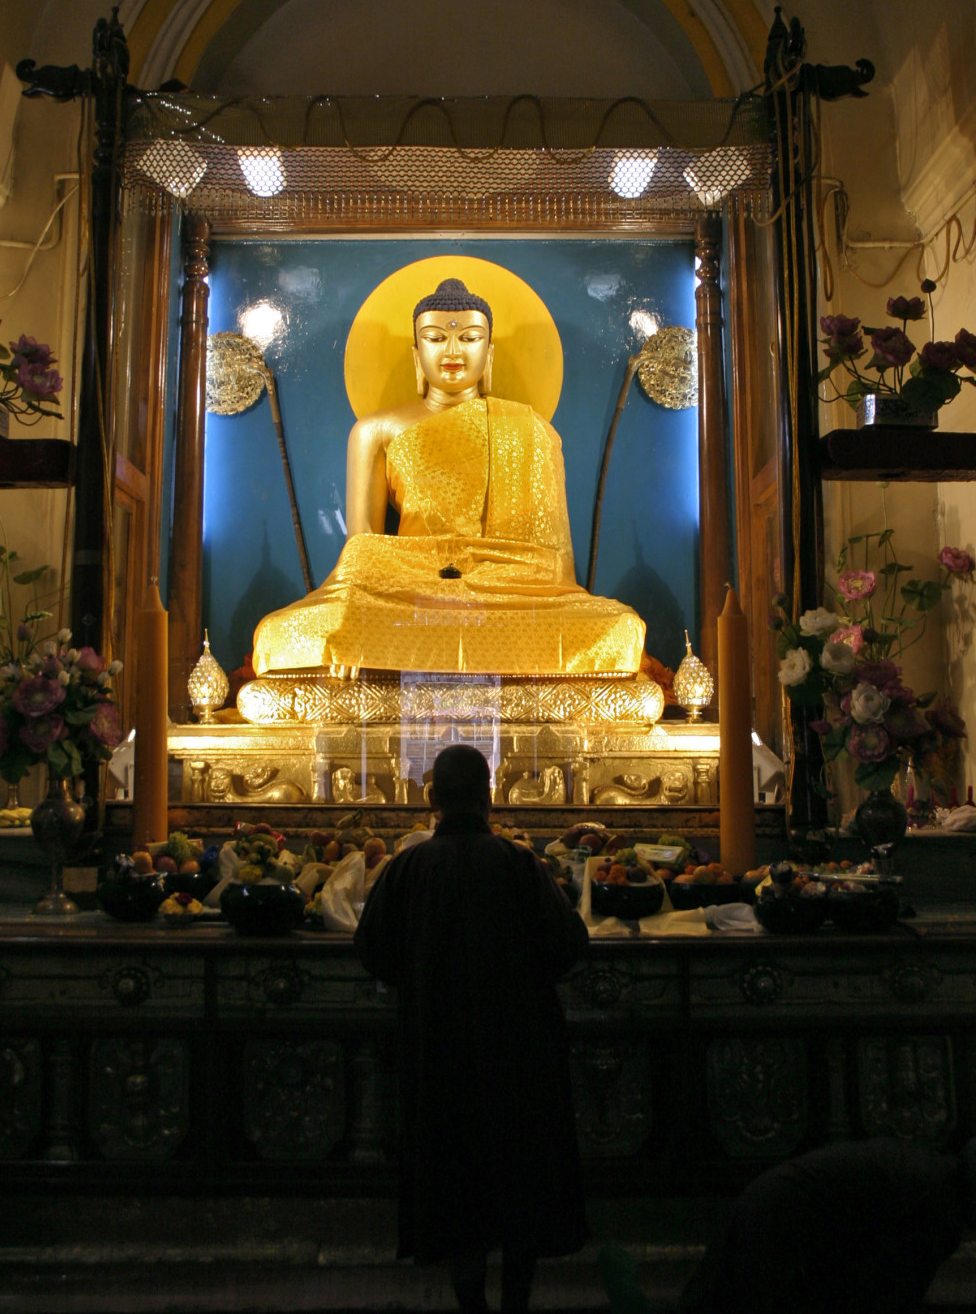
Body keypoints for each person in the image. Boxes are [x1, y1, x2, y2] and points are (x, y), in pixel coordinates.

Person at [251, 278, 651, 677]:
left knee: (618, 627)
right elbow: (363, 555)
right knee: (280, 631)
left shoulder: (529, 429)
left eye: (471, 338)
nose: (453, 350)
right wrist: (359, 617)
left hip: (511, 603)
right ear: (417, 352)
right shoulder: (374, 431)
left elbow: (554, 568)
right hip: (409, 601)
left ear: (489, 352)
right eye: (436, 337)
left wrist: (496, 577)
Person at [354, 743, 590, 1313]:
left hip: (438, 1045)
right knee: (518, 1175)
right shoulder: (518, 864)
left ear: (431, 799)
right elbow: (568, 945)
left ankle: (469, 1299)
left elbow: (371, 949)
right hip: (519, 1049)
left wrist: (419, 976)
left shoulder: (409, 867)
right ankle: (516, 1299)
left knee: (454, 1174)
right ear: (489, 797)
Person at [673, 1131, 976, 1314]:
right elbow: (886, 1298)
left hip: (773, 1207)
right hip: (784, 1229)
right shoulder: (939, 1210)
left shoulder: (932, 1177)